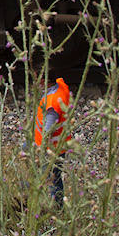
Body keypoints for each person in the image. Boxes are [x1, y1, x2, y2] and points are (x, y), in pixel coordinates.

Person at [35, 76, 73, 206]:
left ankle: (57, 208)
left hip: (51, 149)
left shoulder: (52, 103)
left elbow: (47, 131)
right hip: (59, 146)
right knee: (55, 176)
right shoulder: (61, 86)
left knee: (53, 179)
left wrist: (40, 151)